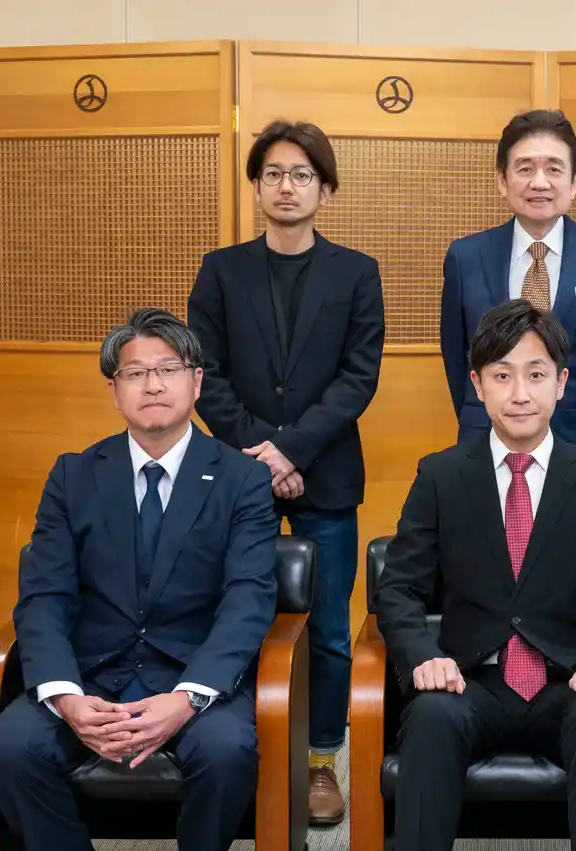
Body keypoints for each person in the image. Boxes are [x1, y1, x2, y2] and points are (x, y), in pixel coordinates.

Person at [0, 308, 279, 851]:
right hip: (92, 676)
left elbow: (248, 598)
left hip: (190, 675)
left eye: (168, 369)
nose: (153, 385)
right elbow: (44, 596)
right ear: (115, 391)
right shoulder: (73, 475)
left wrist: (187, 697)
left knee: (226, 751)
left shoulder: (243, 479)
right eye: (136, 373)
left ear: (197, 382)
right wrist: (67, 697)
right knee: (9, 746)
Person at [376, 298, 576, 851]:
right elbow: (399, 588)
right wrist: (423, 656)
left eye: (536, 375)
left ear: (562, 383)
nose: (520, 394)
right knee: (429, 717)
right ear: (477, 386)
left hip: (568, 680)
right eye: (502, 376)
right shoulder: (441, 476)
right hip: (467, 681)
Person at [187, 119, 384, 824]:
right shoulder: (221, 270)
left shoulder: (357, 272)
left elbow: (358, 377)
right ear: (256, 186)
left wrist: (291, 450)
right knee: (231, 615)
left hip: (325, 475)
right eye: (273, 173)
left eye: (302, 174)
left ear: (325, 189)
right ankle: (239, 751)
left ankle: (320, 762)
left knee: (326, 628)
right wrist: (261, 452)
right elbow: (203, 373)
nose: (287, 186)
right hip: (237, 475)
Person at [440, 109, 576, 455]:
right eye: (525, 168)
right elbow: (457, 358)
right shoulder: (465, 256)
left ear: (574, 182)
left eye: (554, 169)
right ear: (503, 181)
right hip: (485, 441)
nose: (540, 182)